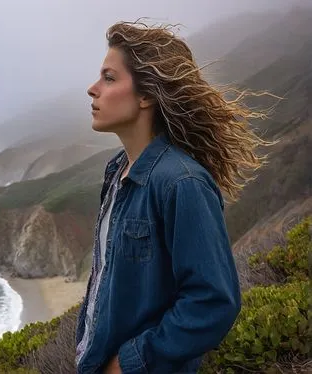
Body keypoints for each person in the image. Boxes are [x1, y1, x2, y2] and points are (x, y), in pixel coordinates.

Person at [75, 20, 272, 374]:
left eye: (109, 78)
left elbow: (213, 302)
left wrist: (128, 363)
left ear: (146, 95)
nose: (93, 89)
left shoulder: (182, 183)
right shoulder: (117, 170)